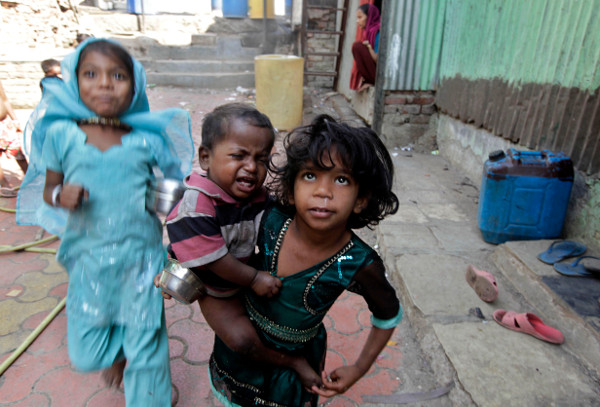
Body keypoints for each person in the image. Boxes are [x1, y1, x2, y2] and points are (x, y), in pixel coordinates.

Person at [16, 38, 194, 407]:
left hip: (141, 258)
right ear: (75, 82)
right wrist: (60, 195)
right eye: (91, 74)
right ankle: (117, 353)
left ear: (136, 85)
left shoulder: (146, 137)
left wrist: (164, 197)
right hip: (88, 258)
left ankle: (149, 395)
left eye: (118, 75)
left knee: (146, 341)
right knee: (86, 353)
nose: (104, 83)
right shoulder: (61, 134)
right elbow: (48, 189)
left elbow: (173, 185)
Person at [209, 114, 403, 406]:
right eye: (310, 176)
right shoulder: (269, 219)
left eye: (341, 180)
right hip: (239, 348)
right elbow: (211, 235)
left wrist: (359, 368)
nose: (323, 192)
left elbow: (388, 315)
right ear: (290, 188)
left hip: (296, 369)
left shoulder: (359, 262)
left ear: (361, 199)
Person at [155, 102, 321, 388]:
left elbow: (278, 214)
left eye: (261, 159)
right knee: (241, 340)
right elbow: (212, 260)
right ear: (206, 158)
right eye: (238, 156)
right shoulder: (196, 205)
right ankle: (292, 363)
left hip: (242, 272)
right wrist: (255, 278)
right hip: (213, 286)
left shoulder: (253, 195)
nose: (251, 167)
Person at [0, 79, 28, 196]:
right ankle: (4, 185)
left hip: (5, 123)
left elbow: (5, 100)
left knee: (18, 151)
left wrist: (15, 120)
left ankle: (31, 179)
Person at [351, 3, 381, 92]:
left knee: (357, 47)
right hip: (375, 72)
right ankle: (368, 80)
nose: (357, 21)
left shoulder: (377, 31)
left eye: (360, 17)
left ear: (369, 17)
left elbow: (377, 59)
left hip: (381, 74)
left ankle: (372, 81)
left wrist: (368, 46)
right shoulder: (368, 32)